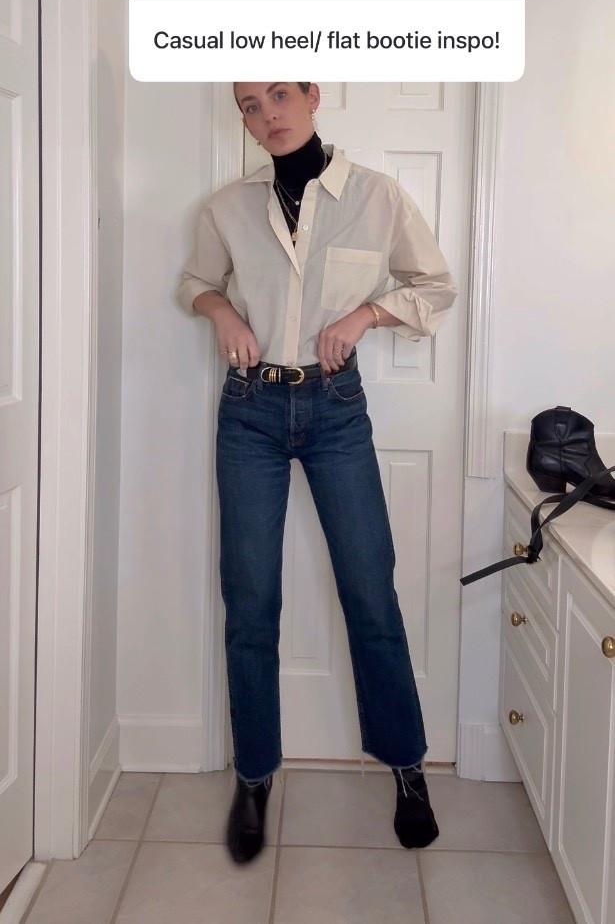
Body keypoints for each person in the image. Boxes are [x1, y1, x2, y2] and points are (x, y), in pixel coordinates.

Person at [176, 81, 458, 865]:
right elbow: (194, 283)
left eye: (279, 96)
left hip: (335, 410)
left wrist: (366, 314)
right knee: (250, 601)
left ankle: (405, 766)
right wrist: (221, 311)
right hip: (248, 412)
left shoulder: (376, 196)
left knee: (370, 591)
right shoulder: (227, 207)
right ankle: (254, 775)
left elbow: (434, 285)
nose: (266, 115)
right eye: (248, 105)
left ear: (312, 96)